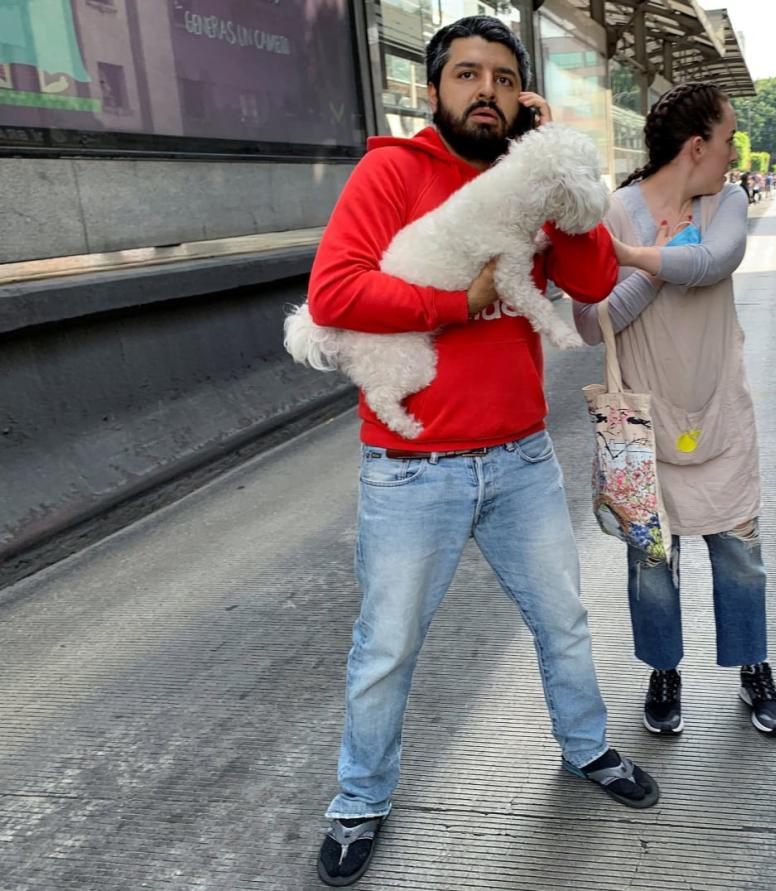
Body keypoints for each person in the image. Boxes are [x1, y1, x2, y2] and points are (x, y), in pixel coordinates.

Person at [307, 17, 659, 886]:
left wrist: (553, 163)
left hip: (519, 460)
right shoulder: (392, 170)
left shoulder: (528, 175)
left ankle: (588, 749)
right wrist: (456, 305)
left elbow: (591, 278)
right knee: (386, 645)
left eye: (504, 79)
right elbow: (334, 290)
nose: (487, 92)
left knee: (566, 624)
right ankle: (359, 800)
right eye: (467, 76)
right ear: (435, 92)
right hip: (410, 469)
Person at [572, 82, 776, 737]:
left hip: (718, 406)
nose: (733, 153)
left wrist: (639, 260)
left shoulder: (725, 201)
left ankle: (753, 664)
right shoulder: (613, 212)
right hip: (639, 421)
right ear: (697, 145)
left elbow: (716, 257)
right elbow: (592, 323)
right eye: (727, 140)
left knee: (739, 552)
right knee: (650, 562)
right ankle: (663, 670)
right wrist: (657, 270)